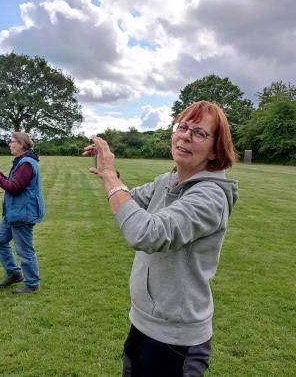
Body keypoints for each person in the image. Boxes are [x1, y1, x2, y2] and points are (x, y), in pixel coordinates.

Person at [83, 100, 238, 377]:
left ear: (215, 151)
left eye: (200, 133)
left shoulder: (211, 197)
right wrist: (112, 174)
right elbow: (131, 201)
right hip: (143, 323)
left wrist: (109, 177)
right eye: (183, 127)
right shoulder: (168, 180)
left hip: (177, 339)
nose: (186, 136)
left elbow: (146, 233)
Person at [0, 132, 45, 295]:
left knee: (25, 251)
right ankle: (14, 273)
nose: (9, 144)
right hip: (13, 212)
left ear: (22, 144)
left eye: (12, 141)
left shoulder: (26, 163)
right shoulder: (22, 162)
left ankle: (32, 284)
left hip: (22, 214)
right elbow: (15, 184)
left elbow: (14, 188)